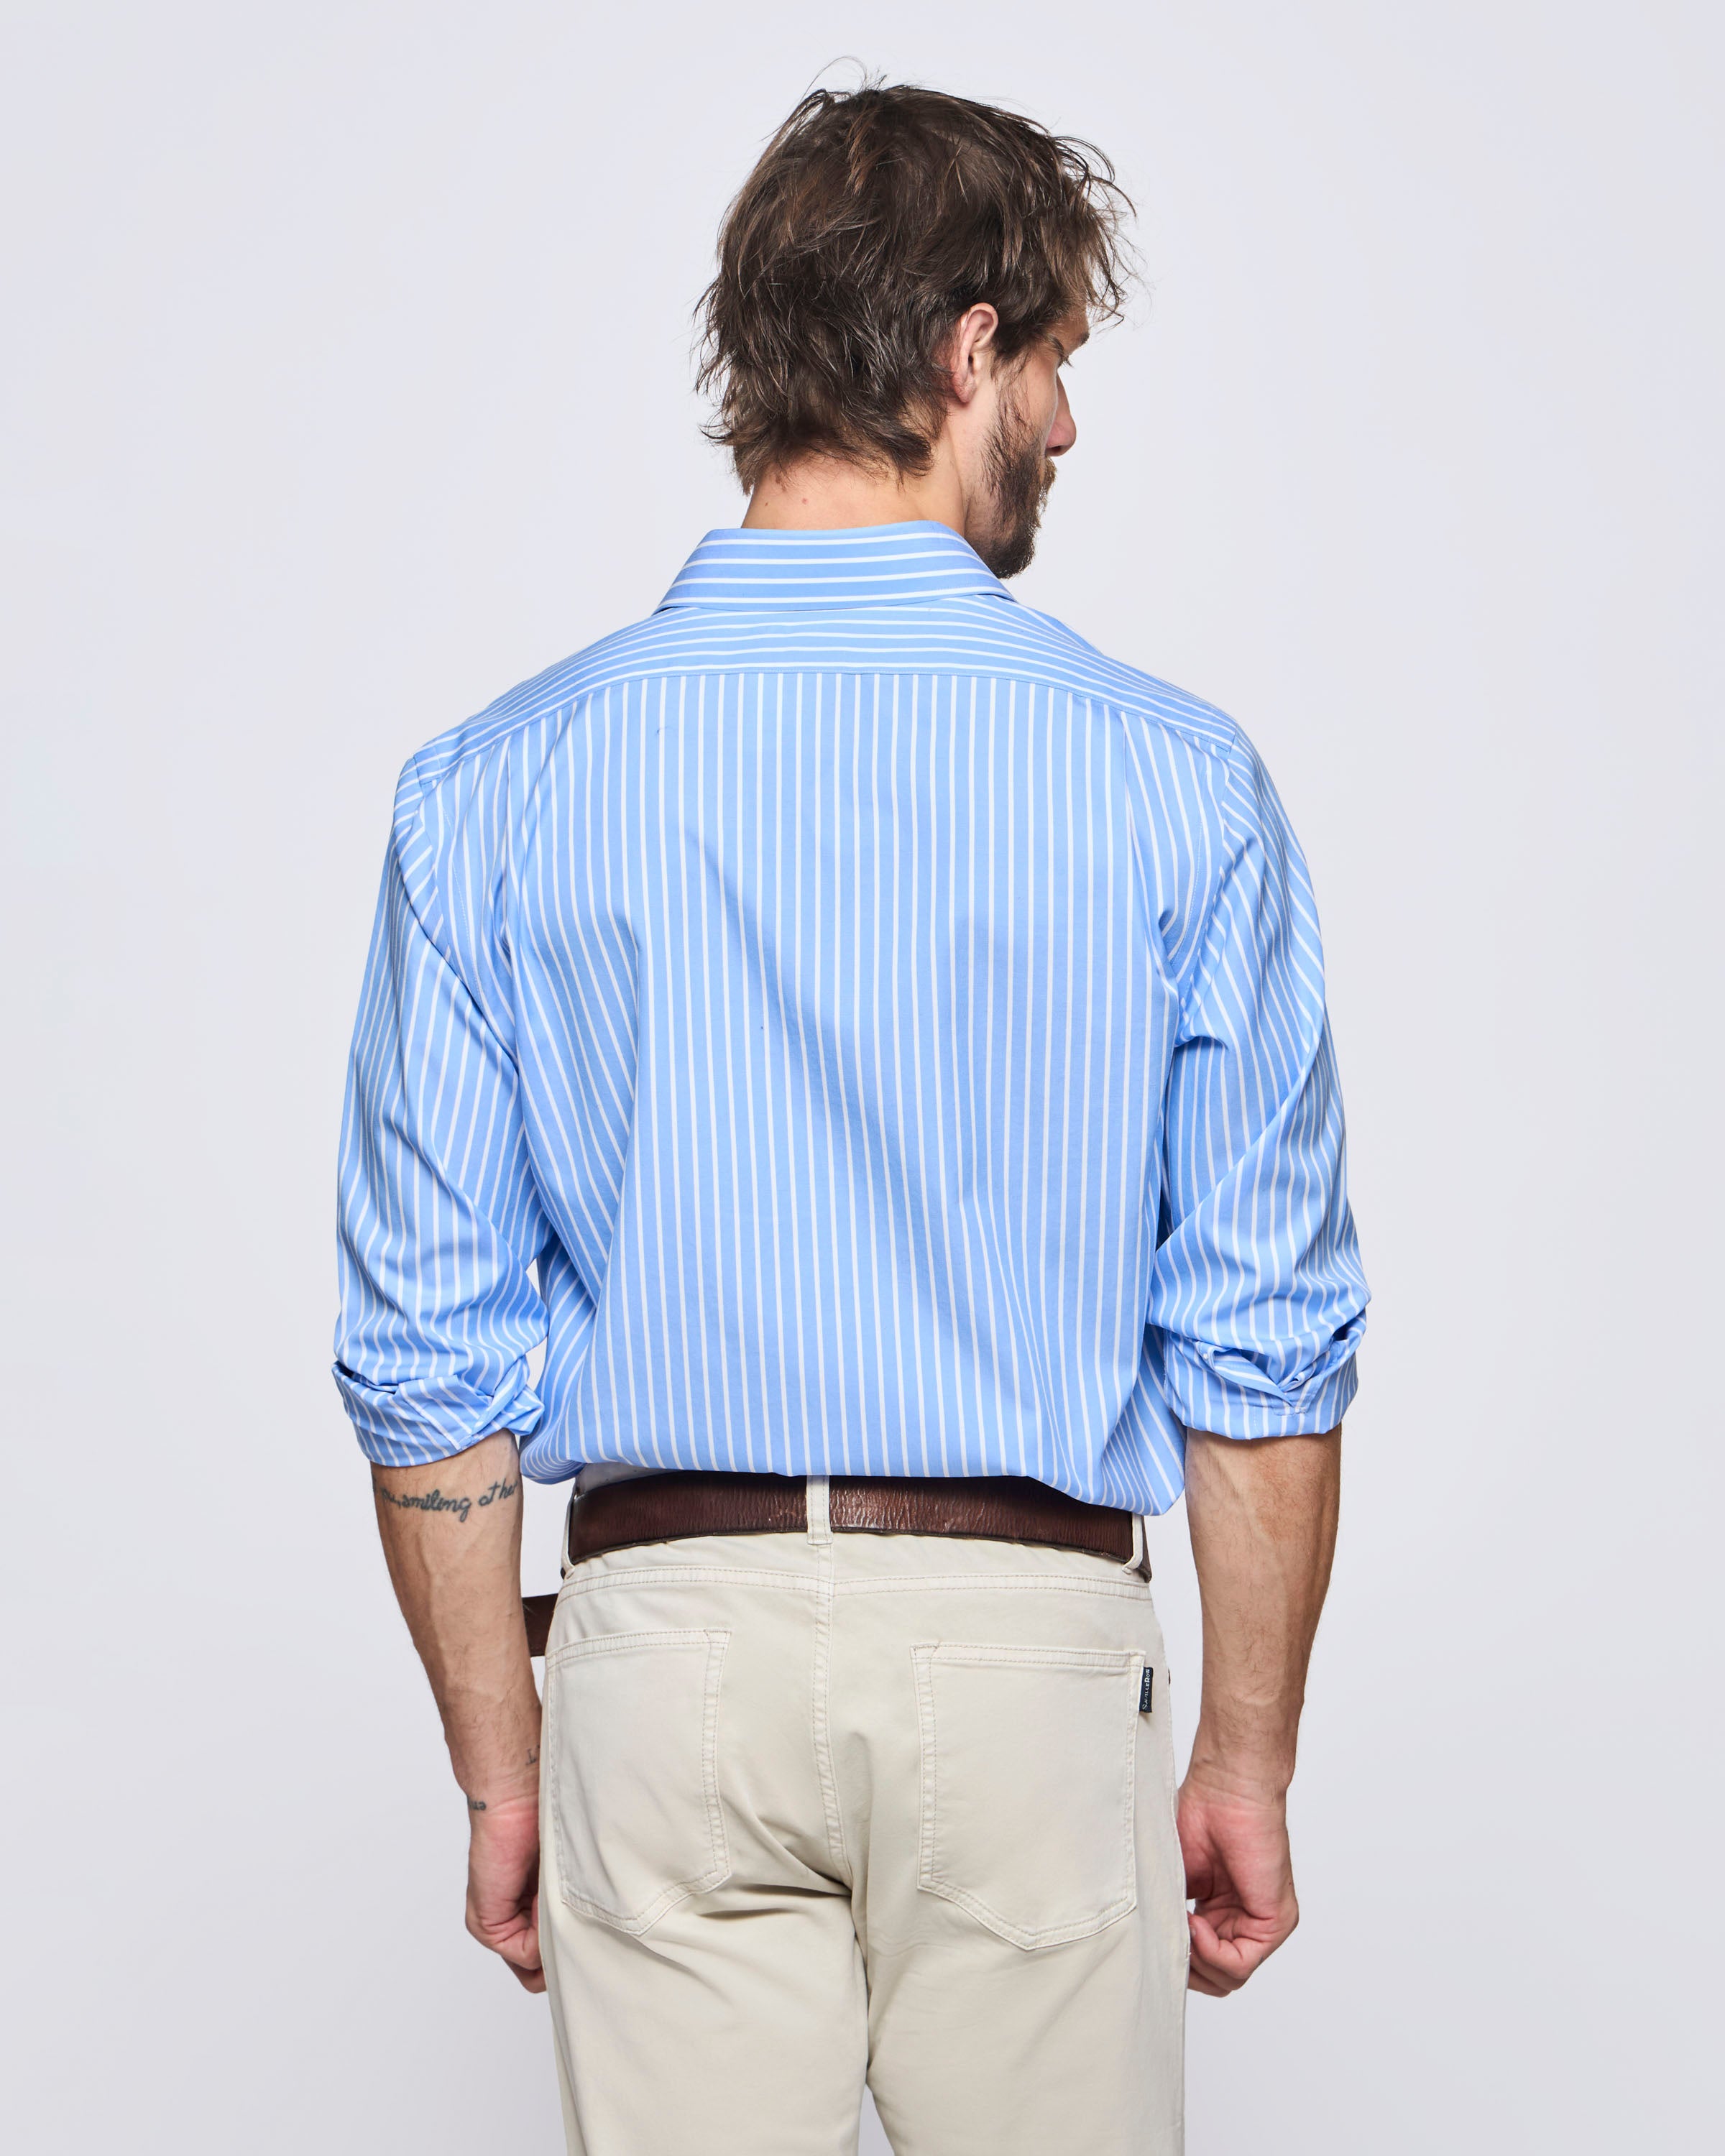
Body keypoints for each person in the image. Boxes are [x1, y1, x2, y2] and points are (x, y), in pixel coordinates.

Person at [335, 80, 1368, 2156]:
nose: (1065, 422)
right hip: (1030, 1662)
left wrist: (504, 1765)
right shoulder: (1175, 786)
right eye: (1053, 357)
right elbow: (1261, 1335)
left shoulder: (495, 794)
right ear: (966, 350)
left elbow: (427, 1349)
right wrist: (1245, 1762)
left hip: (665, 1663)